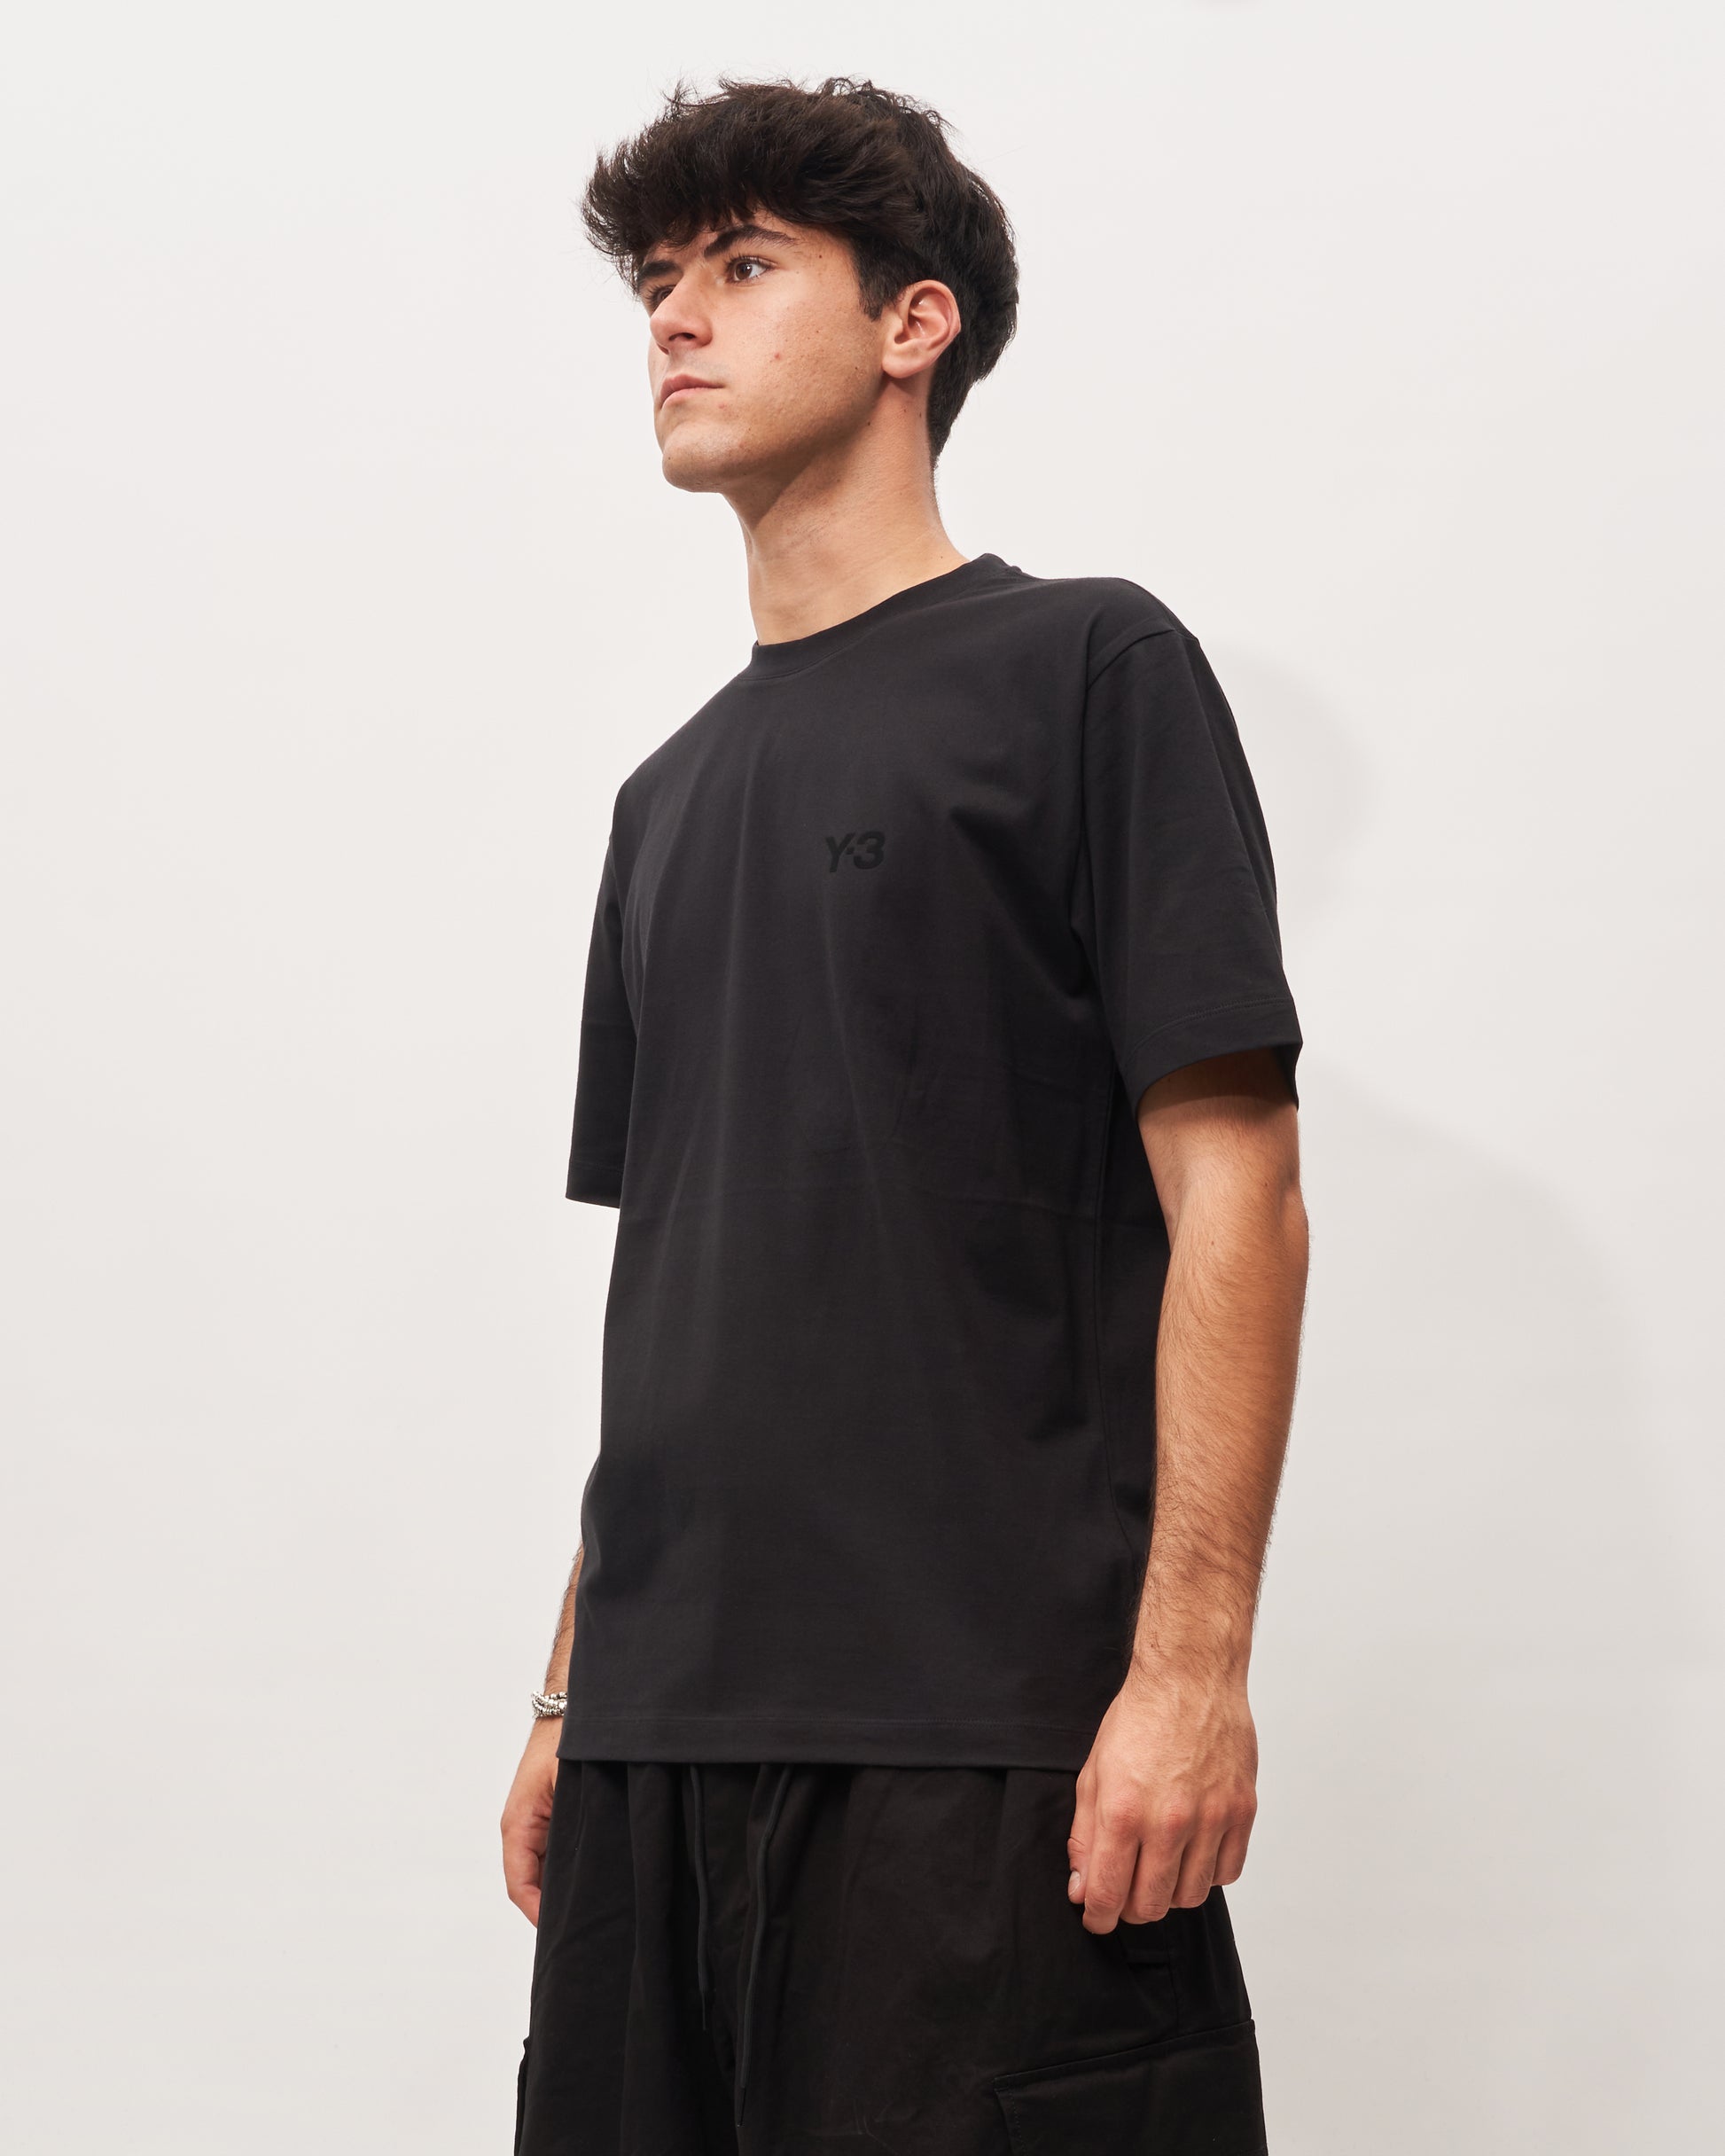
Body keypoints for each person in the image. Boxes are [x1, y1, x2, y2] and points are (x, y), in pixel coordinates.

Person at [501, 74, 1308, 2156]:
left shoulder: (1086, 669)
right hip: (659, 1744)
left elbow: (1238, 1183)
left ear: (911, 323)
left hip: (981, 1739)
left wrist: (1192, 1669)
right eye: (656, 282)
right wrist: (576, 1686)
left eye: (742, 265)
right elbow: (686, 1296)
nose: (675, 318)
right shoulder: (662, 801)